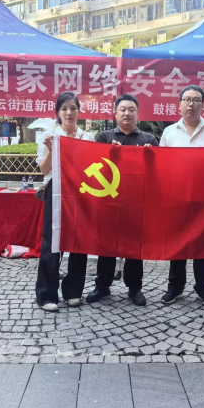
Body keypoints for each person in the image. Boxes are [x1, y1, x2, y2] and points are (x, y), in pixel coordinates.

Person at [86, 94, 158, 307]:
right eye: (123, 109)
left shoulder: (149, 140)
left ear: (138, 114)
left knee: (135, 247)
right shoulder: (104, 137)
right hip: (109, 201)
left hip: (137, 202)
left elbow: (158, 172)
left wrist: (151, 157)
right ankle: (102, 285)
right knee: (106, 245)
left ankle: (135, 288)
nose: (127, 113)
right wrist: (109, 153)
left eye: (131, 110)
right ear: (115, 114)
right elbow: (93, 166)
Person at [159, 85, 204, 308]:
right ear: (179, 104)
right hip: (176, 196)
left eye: (196, 100)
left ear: (202, 105)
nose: (191, 104)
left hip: (203, 198)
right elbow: (161, 164)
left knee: (202, 245)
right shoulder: (169, 132)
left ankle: (203, 289)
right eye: (187, 99)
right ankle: (175, 288)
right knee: (177, 243)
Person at [35, 92, 95, 312]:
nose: (69, 113)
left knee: (79, 241)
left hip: (81, 192)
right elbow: (44, 170)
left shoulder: (87, 138)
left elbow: (92, 166)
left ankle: (73, 291)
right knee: (51, 242)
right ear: (58, 112)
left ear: (79, 111)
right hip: (56, 191)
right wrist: (52, 151)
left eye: (73, 108)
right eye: (64, 109)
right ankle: (46, 294)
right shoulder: (49, 135)